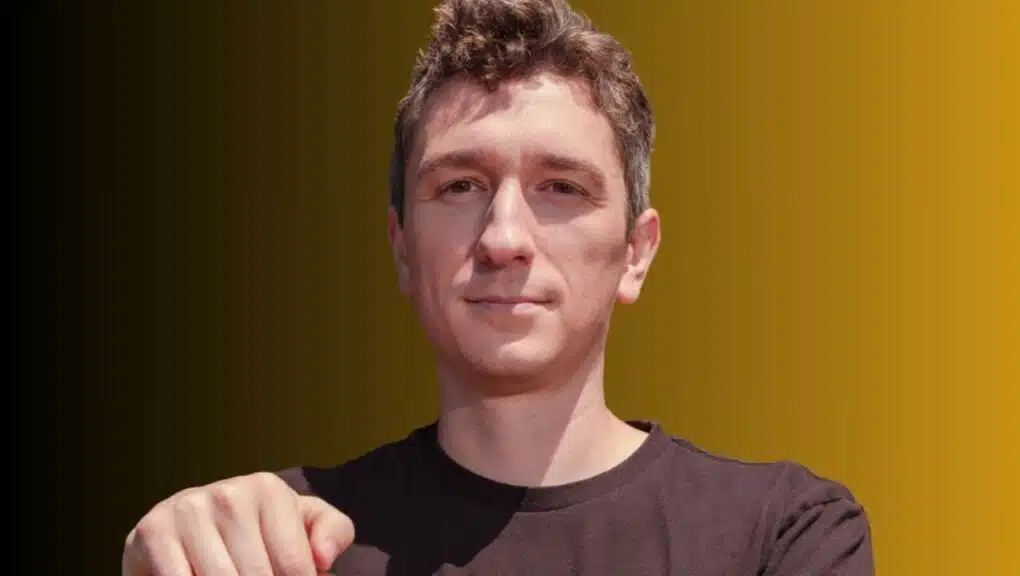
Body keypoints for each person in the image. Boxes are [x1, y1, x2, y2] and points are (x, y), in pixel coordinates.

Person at [122, 0, 874, 574]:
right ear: (402, 249)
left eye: (560, 187)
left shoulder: (783, 534)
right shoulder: (279, 544)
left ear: (636, 253)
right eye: (460, 186)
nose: (503, 237)